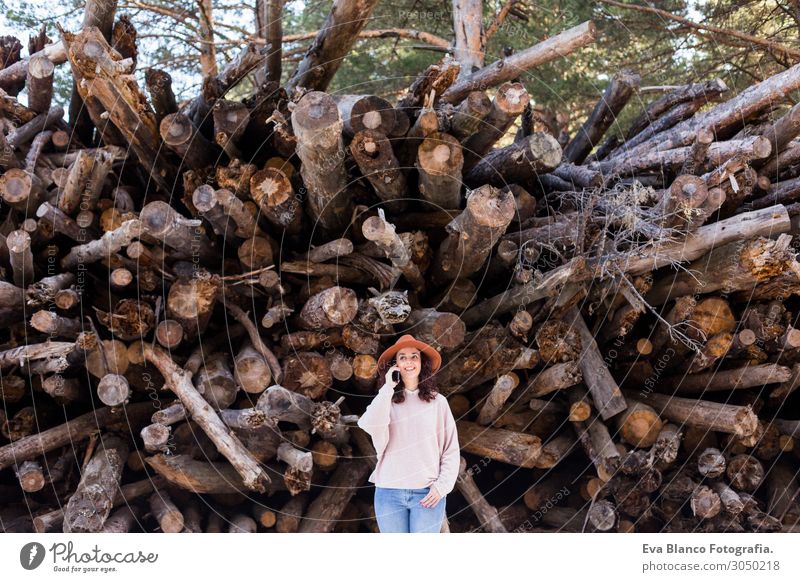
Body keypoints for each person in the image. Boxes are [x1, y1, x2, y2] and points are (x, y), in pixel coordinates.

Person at [356, 334, 460, 533]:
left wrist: (441, 487)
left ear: (423, 364)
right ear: (395, 365)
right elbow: (368, 423)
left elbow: (451, 450)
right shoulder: (387, 400)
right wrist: (388, 387)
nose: (409, 361)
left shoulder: (438, 403)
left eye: (414, 356)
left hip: (427, 493)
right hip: (389, 493)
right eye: (402, 357)